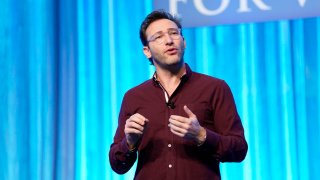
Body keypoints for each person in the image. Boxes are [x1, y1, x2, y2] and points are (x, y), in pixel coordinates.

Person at [109, 10, 248, 180]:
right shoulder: (133, 96)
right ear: (147, 51)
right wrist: (129, 142)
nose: (168, 40)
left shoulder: (215, 88)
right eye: (158, 37)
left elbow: (239, 149)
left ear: (184, 42)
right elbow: (117, 165)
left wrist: (201, 136)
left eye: (174, 33)